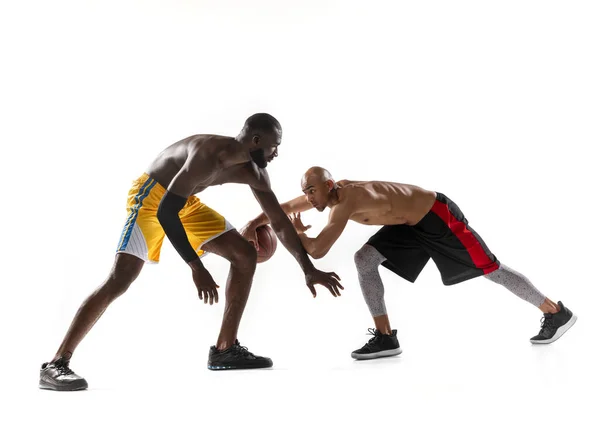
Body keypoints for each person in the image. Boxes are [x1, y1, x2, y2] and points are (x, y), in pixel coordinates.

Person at [39, 115, 344, 391]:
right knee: (120, 279)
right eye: (273, 146)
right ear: (256, 141)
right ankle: (56, 364)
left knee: (244, 255)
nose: (276, 153)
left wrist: (307, 268)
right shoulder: (207, 155)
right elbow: (164, 212)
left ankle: (225, 349)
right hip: (153, 198)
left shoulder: (255, 173)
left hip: (183, 202)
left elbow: (278, 220)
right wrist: (196, 267)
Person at [240, 166, 577, 360]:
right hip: (408, 225)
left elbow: (317, 251)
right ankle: (386, 337)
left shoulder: (345, 201)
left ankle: (554, 311)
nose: (309, 199)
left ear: (328, 186)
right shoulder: (326, 194)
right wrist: (253, 225)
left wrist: (297, 235)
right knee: (365, 258)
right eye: (307, 192)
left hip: (436, 216)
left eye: (312, 192)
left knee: (491, 270)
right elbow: (282, 206)